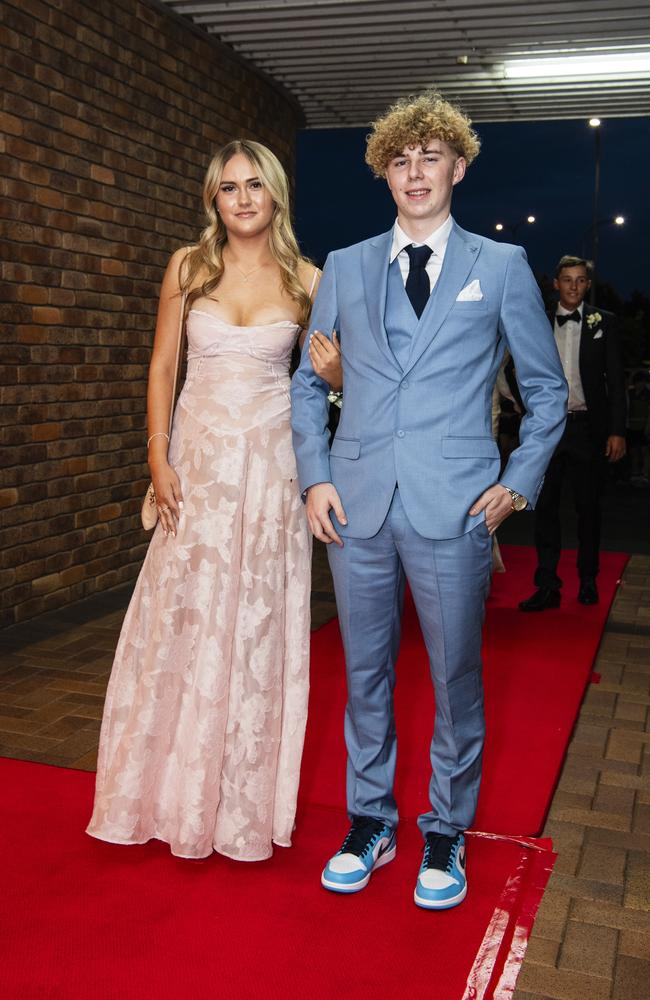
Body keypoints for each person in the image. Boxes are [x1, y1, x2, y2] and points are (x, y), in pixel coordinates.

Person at [291, 92, 567, 910]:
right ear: (385, 173)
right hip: (358, 503)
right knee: (365, 672)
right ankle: (369, 820)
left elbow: (546, 393)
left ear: (459, 166)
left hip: (456, 507)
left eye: (430, 157)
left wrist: (518, 482)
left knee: (454, 675)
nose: (415, 172)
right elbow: (310, 384)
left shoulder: (503, 267)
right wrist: (316, 475)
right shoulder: (343, 265)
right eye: (399, 160)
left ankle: (445, 829)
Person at [87, 140, 321, 862]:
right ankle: (161, 791)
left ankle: (240, 806)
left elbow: (324, 385)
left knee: (255, 622)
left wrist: (340, 377)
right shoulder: (188, 267)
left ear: (275, 194)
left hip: (272, 473)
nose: (243, 198)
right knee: (180, 621)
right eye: (228, 188)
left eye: (255, 185)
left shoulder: (310, 278)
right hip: (197, 468)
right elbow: (163, 364)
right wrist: (156, 453)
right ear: (212, 199)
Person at [519, 255, 626, 611]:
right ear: (556, 283)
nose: (574, 286)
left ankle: (588, 580)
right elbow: (519, 369)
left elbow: (616, 380)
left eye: (581, 280)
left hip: (586, 429)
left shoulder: (604, 323)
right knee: (545, 507)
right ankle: (547, 584)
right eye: (567, 280)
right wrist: (527, 410)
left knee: (588, 509)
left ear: (588, 284)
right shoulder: (538, 321)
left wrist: (616, 431)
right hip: (547, 430)